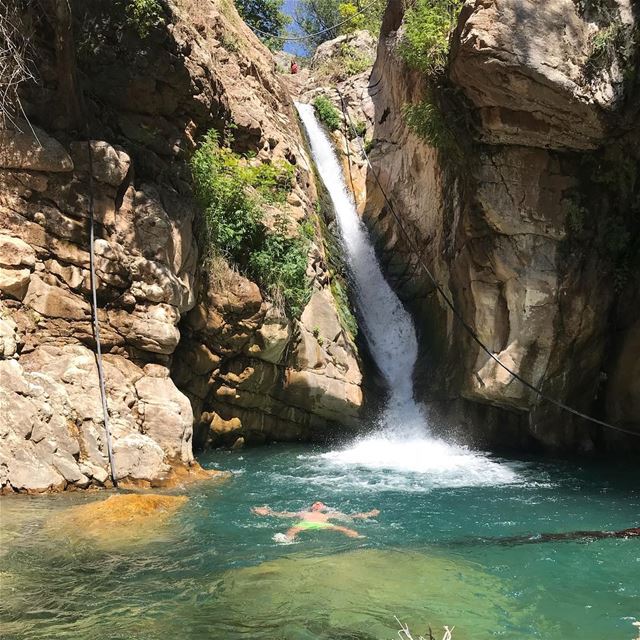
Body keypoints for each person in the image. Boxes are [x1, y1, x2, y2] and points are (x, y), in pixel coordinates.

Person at [252, 501, 380, 542]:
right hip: (305, 523)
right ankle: (287, 540)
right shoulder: (303, 513)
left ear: (324, 507)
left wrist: (369, 514)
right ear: (311, 507)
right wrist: (268, 512)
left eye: (320, 504)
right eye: (315, 504)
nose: (317, 505)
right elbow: (283, 515)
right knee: (293, 529)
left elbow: (351, 516)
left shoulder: (330, 514)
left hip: (324, 524)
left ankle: (358, 538)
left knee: (343, 528)